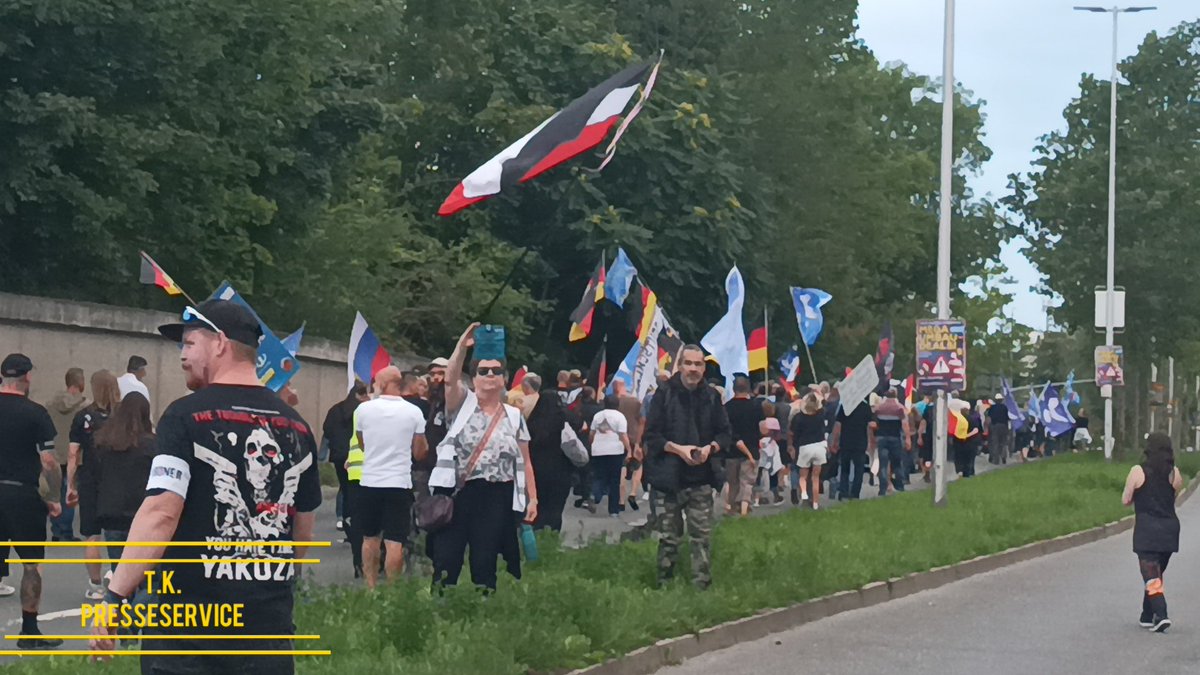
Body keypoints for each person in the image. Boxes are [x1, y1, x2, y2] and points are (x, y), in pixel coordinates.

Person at [90, 300, 322, 674]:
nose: (182, 355)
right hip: (267, 635)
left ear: (220, 343)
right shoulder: (296, 427)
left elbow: (161, 512)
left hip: (190, 636)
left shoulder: (184, 416)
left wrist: (115, 596)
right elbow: (302, 531)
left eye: (189, 343)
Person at [429, 323, 538, 591]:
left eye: (496, 371)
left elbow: (524, 460)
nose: (490, 375)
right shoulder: (461, 405)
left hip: (497, 494)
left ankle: (483, 606)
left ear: (504, 378)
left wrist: (532, 497)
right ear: (474, 377)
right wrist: (461, 347)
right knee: (448, 556)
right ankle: (441, 604)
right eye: (483, 371)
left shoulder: (513, 416)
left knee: (486, 556)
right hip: (460, 491)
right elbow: (450, 378)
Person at [643, 345, 731, 590]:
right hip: (667, 477)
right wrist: (678, 449)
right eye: (689, 363)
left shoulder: (712, 397)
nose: (693, 369)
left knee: (701, 537)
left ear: (704, 367)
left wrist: (709, 449)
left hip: (701, 478)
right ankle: (664, 585)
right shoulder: (664, 393)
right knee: (668, 537)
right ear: (680, 365)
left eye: (698, 364)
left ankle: (701, 587)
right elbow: (652, 436)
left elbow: (725, 434)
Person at [0, 353, 64, 649]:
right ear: (27, 377)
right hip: (22, 493)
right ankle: (29, 631)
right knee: (31, 564)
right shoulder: (35, 413)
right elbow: (49, 461)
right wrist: (53, 498)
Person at [354, 366, 427, 588]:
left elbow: (361, 443)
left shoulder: (364, 410)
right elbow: (419, 452)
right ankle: (393, 589)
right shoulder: (414, 412)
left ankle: (370, 586)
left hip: (369, 481)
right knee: (395, 540)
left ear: (383, 384)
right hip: (398, 482)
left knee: (369, 538)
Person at [67, 369, 121, 601]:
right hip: (118, 479)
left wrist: (71, 485)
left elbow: (72, 454)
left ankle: (95, 584)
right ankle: (121, 579)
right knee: (118, 532)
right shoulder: (123, 415)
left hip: (90, 479)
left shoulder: (83, 416)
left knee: (91, 535)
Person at [1121, 432, 1183, 633]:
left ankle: (1162, 615)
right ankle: (1147, 615)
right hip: (1170, 529)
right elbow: (1173, 496)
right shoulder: (1174, 473)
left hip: (1148, 529)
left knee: (1152, 577)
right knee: (1155, 575)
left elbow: (1126, 500)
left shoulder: (1138, 471)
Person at [91, 392, 155, 569]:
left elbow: (96, 477)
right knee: (144, 572)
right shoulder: (151, 445)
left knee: (118, 568)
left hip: (111, 511)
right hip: (140, 511)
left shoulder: (104, 442)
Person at [45, 367, 87, 542]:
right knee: (70, 492)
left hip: (55, 452)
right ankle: (66, 531)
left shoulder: (50, 404)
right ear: (80, 382)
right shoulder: (84, 407)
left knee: (55, 492)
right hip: (73, 454)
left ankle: (56, 531)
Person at [527, 378, 574, 531]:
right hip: (560, 471)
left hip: (536, 471)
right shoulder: (564, 420)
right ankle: (553, 536)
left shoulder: (532, 422)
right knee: (556, 508)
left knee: (537, 507)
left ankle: (536, 537)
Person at [323, 383, 369, 532]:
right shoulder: (363, 411)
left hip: (338, 455)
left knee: (343, 487)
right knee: (356, 490)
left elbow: (327, 429)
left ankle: (342, 517)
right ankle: (354, 520)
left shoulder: (335, 409)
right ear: (362, 395)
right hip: (356, 456)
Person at [724, 375, 763, 517]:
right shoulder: (755, 406)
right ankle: (744, 509)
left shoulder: (726, 408)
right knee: (747, 482)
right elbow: (762, 428)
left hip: (731, 451)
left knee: (732, 482)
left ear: (733, 389)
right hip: (752, 449)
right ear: (748, 388)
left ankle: (730, 507)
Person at [589, 396, 632, 518]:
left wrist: (592, 444)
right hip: (615, 451)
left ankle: (594, 495)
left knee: (599, 476)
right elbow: (623, 435)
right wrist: (629, 450)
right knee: (614, 480)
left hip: (598, 450)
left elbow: (591, 433)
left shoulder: (597, 416)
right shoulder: (620, 416)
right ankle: (613, 510)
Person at [789, 389, 828, 510]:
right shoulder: (821, 415)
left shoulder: (798, 417)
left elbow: (791, 433)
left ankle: (804, 498)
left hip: (805, 447)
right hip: (819, 446)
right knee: (815, 477)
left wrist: (791, 446)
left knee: (803, 477)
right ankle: (815, 503)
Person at [831, 394, 872, 500]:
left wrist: (835, 441)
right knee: (859, 469)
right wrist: (870, 441)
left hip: (846, 441)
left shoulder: (845, 406)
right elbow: (869, 426)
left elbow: (838, 425)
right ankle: (855, 493)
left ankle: (844, 492)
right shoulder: (865, 407)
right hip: (860, 441)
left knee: (845, 468)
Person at [612, 380, 644, 511]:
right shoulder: (635, 402)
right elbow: (642, 421)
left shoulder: (614, 402)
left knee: (622, 468)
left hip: (619, 437)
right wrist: (638, 442)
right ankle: (633, 492)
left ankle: (620, 500)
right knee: (638, 466)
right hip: (634, 435)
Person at [872, 389, 910, 496]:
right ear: (896, 395)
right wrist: (907, 438)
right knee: (897, 464)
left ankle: (882, 488)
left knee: (883, 464)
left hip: (882, 438)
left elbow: (874, 423)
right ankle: (900, 486)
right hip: (895, 438)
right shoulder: (899, 408)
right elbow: (904, 424)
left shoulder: (879, 408)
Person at [987, 392, 1012, 464]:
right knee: (1003, 443)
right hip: (1004, 426)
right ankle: (1003, 457)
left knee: (995, 442)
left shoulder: (992, 407)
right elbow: (1008, 418)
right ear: (1001, 400)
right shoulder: (1005, 407)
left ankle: (996, 459)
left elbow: (989, 418)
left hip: (995, 426)